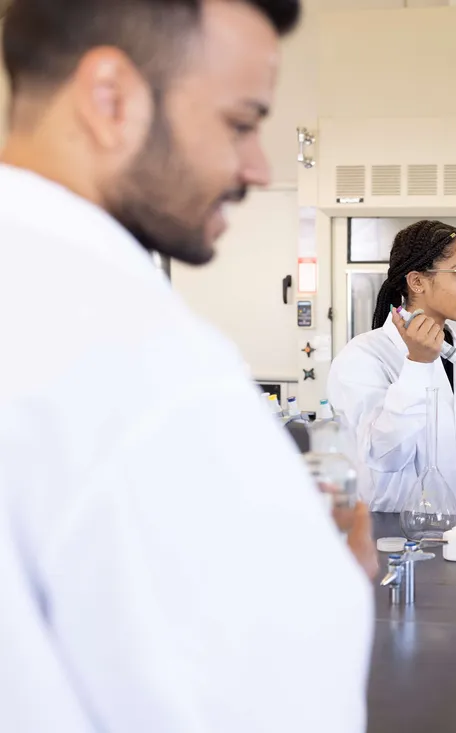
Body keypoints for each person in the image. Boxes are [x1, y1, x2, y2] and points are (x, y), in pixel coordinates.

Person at [0, 1, 373, 730]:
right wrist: (327, 593)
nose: (258, 167)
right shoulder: (139, 358)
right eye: (240, 122)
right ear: (109, 101)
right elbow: (268, 703)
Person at [327, 219, 456, 514]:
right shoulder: (363, 357)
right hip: (399, 538)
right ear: (417, 281)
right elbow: (383, 455)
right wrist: (418, 364)